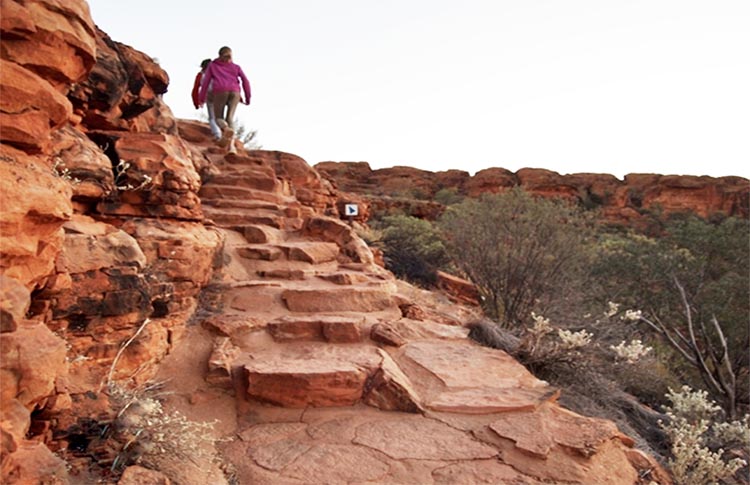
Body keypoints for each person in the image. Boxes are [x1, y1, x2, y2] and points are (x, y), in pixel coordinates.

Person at [198, 46, 251, 152]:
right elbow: (246, 81)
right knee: (230, 118)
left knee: (218, 118)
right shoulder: (236, 67)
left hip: (220, 91)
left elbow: (205, 83)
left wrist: (202, 98)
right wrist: (247, 97)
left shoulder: (213, 66)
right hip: (235, 92)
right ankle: (232, 147)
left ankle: (225, 129)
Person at [192, 58, 221, 140]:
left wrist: (196, 102)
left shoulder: (200, 75)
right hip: (221, 94)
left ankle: (218, 134)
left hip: (209, 95)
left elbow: (195, 89)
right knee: (220, 115)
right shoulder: (218, 72)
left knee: (212, 117)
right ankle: (225, 130)